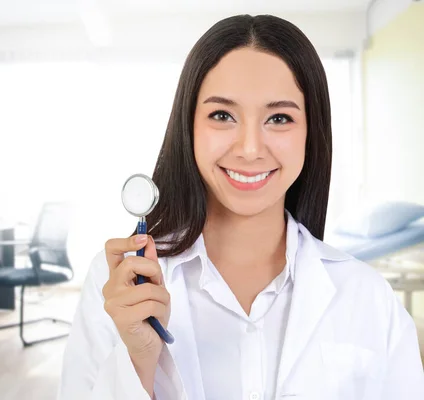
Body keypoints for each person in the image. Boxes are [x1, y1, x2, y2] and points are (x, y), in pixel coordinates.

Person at [57, 14, 424, 400]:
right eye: (222, 115)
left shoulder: (369, 298)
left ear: (310, 134)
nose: (250, 148)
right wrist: (140, 361)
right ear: (189, 127)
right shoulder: (119, 283)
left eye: (279, 118)